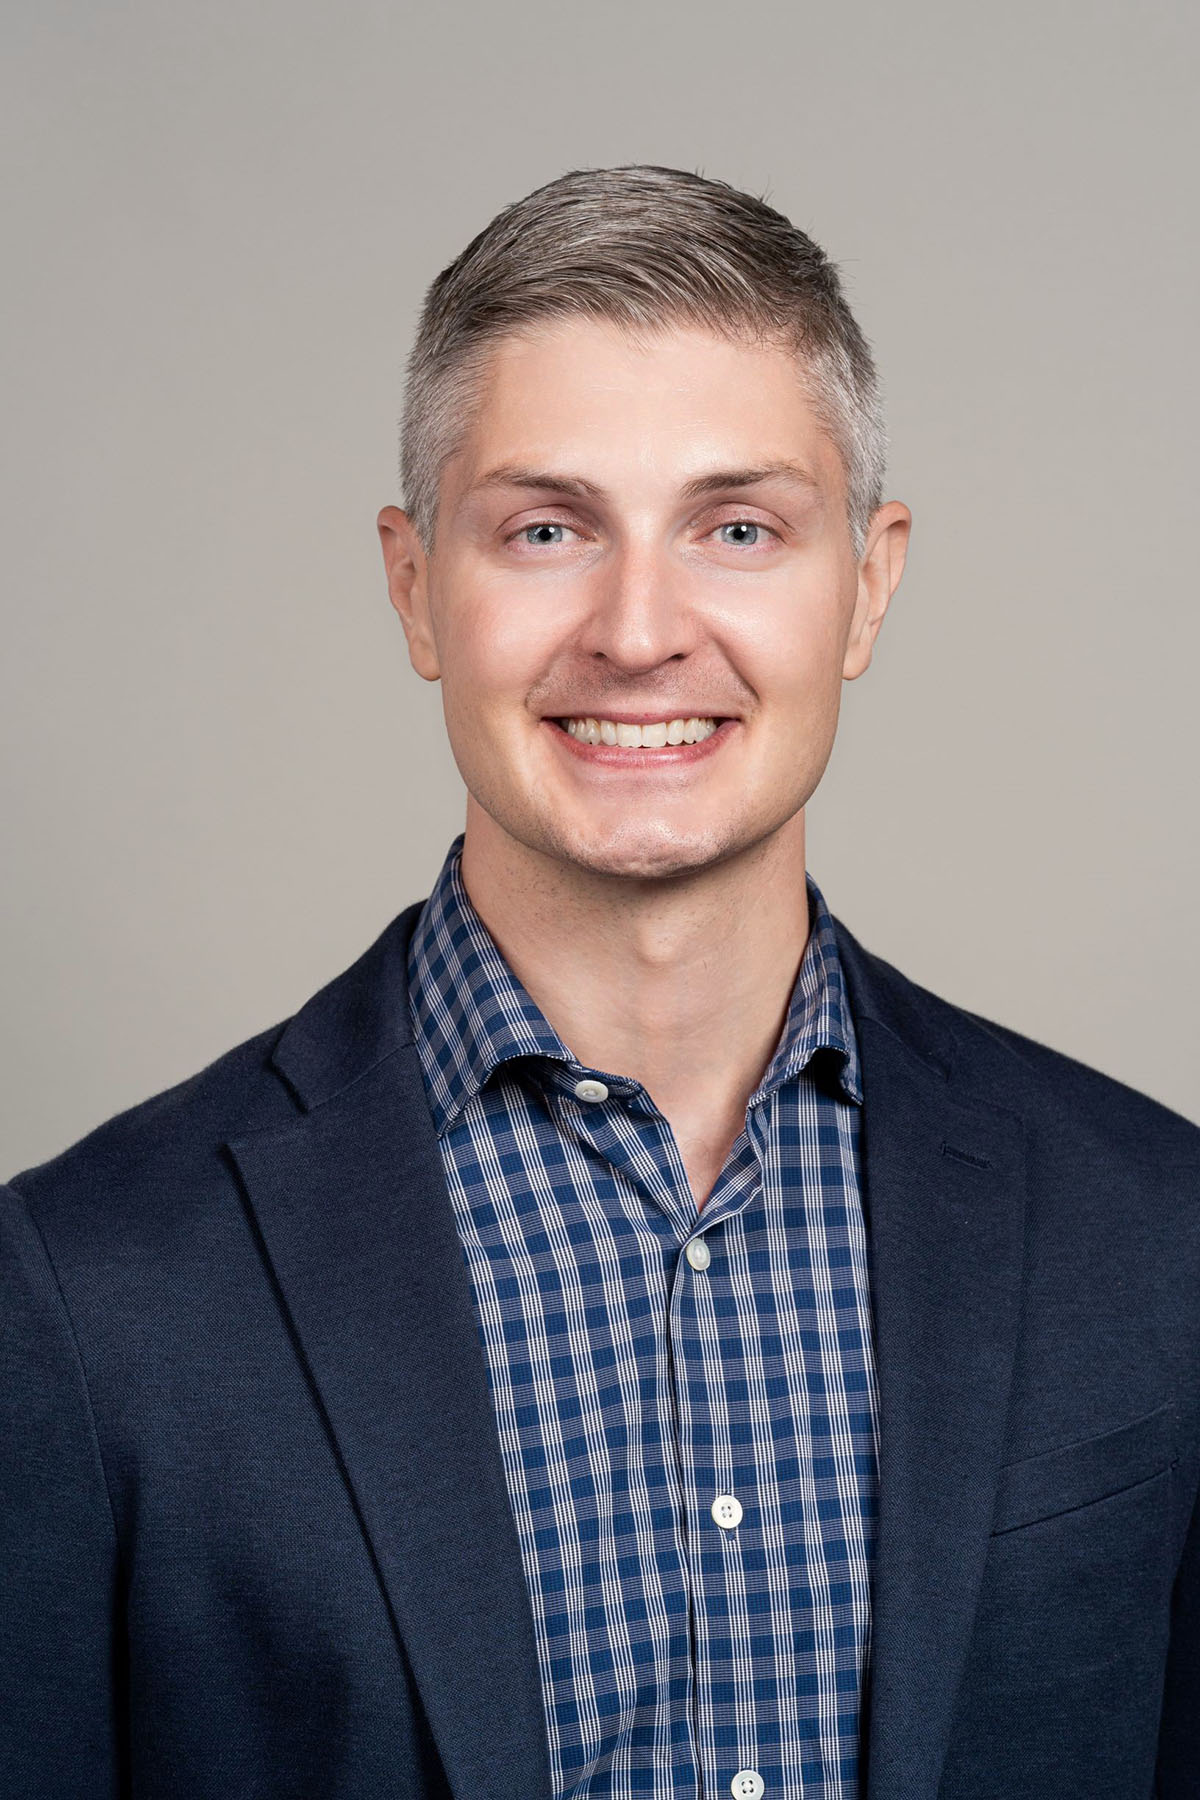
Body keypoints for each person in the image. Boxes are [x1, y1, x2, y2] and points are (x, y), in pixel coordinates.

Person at [2, 164, 1196, 1800]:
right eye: (548, 530)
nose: (639, 632)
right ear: (416, 585)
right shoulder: (85, 1298)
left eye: (738, 528)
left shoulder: (1157, 1232)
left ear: (870, 583)